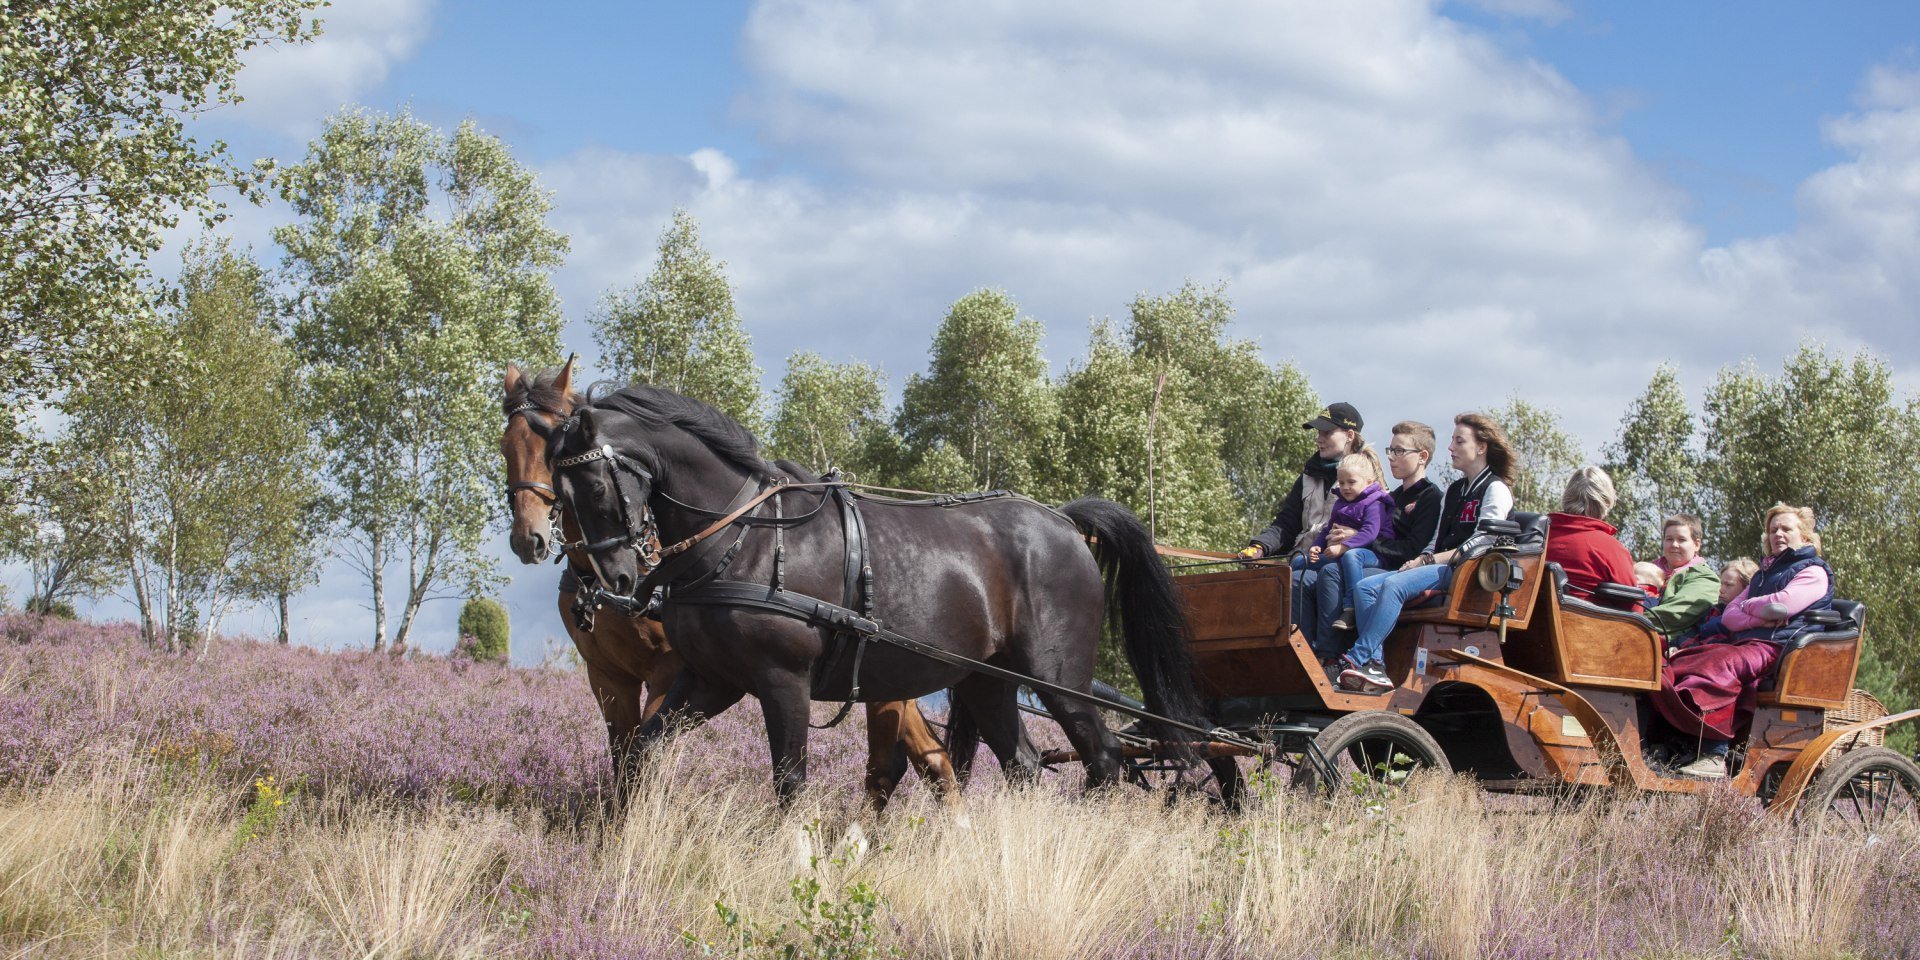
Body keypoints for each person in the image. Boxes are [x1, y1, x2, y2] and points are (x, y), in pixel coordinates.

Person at [1651, 504, 1833, 779]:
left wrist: (1749, 608)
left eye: (1786, 529)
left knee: (1720, 665)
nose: (1778, 534)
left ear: (1805, 537)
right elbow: (1730, 617)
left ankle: (1715, 754)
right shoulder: (1762, 575)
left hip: (1779, 648)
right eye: (1773, 530)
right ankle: (1678, 743)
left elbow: (1781, 607)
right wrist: (1757, 612)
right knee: (1679, 660)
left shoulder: (1814, 572)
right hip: (1747, 642)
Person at [1339, 413, 1516, 693]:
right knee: (1363, 588)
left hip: (1466, 572)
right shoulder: (1455, 491)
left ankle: (1357, 656)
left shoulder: (1496, 488)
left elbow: (1484, 542)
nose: (1450, 447)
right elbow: (1436, 540)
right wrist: (1420, 559)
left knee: (1394, 584)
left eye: (1459, 441)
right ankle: (1376, 665)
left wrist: (1431, 560)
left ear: (1481, 447)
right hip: (1439, 566)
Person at [1299, 421, 1443, 665]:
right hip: (1367, 558)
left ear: (1422, 457)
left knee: (1332, 573)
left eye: (1399, 451)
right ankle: (1304, 651)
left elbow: (1411, 550)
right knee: (1301, 574)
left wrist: (1354, 538)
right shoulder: (1392, 497)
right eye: (1390, 450)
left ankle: (1338, 656)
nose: (1391, 457)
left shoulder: (1431, 497)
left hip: (1398, 567)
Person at [1239, 402, 1367, 632]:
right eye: (1318, 432)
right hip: (1301, 560)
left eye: (1327, 432)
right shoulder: (1308, 476)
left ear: (1349, 436)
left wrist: (1354, 537)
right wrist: (1260, 547)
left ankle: (1312, 654)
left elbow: (1375, 528)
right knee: (1256, 586)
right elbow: (1286, 524)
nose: (1319, 438)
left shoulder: (1367, 476)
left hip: (1335, 565)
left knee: (1294, 581)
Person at [1296, 450, 1393, 615]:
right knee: (1299, 561)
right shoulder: (1340, 503)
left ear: (1369, 482)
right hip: (1340, 550)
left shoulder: (1375, 504)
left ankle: (1351, 602)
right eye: (1341, 483)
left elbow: (1370, 533)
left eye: (1351, 482)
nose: (1345, 487)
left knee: (1351, 556)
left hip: (1372, 554)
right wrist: (1316, 546)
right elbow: (1328, 528)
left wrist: (1344, 547)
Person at [1543, 466, 1636, 603]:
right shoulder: (1610, 548)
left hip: (1534, 622)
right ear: (1606, 501)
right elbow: (1633, 604)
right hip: (1586, 623)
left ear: (1567, 496)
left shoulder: (1538, 536)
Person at [1643, 514, 1719, 638]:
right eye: (1669, 539)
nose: (1674, 544)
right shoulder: (1647, 570)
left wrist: (1631, 620)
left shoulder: (1705, 579)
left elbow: (1675, 615)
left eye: (1681, 540)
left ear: (1697, 544)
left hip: (1668, 645)